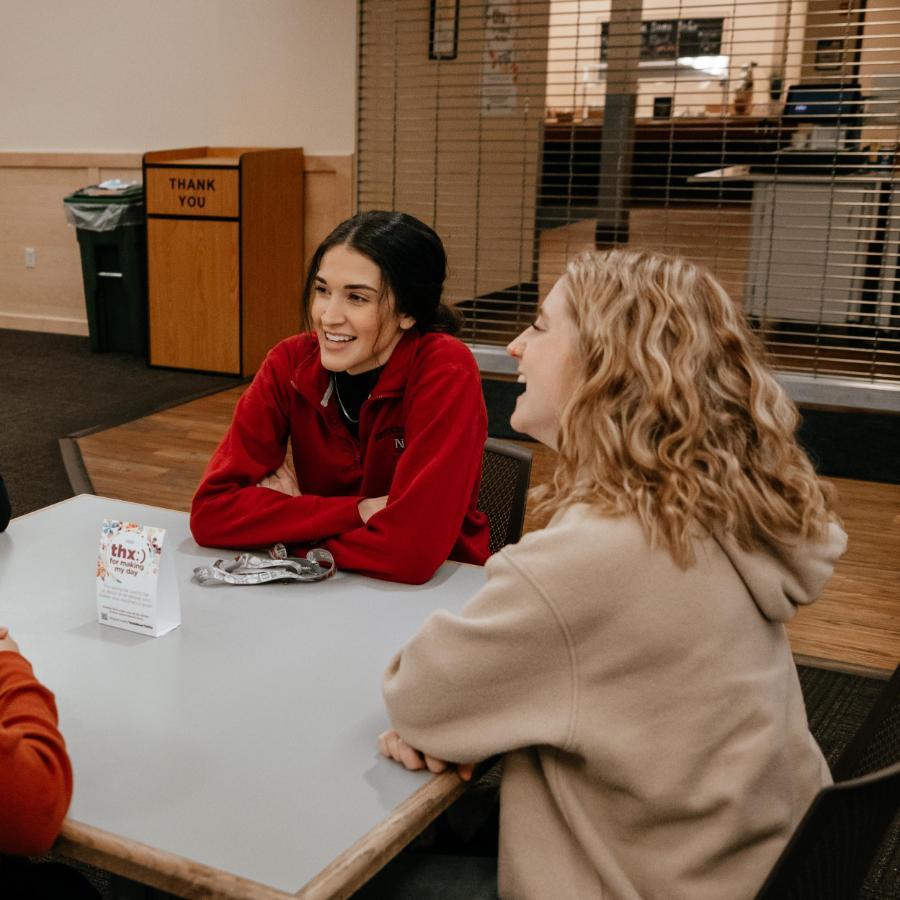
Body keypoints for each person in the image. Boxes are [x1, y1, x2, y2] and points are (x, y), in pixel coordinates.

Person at [376, 248, 847, 899]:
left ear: (606, 366)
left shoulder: (595, 557)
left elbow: (420, 699)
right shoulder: (710, 506)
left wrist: (468, 721)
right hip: (750, 865)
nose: (514, 346)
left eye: (539, 327)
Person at [191, 211, 490, 584]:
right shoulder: (289, 362)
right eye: (322, 291)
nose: (328, 316)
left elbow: (411, 555)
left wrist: (288, 526)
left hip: (440, 595)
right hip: (326, 587)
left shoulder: (444, 368)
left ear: (409, 312)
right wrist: (358, 511)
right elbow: (211, 515)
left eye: (357, 298)